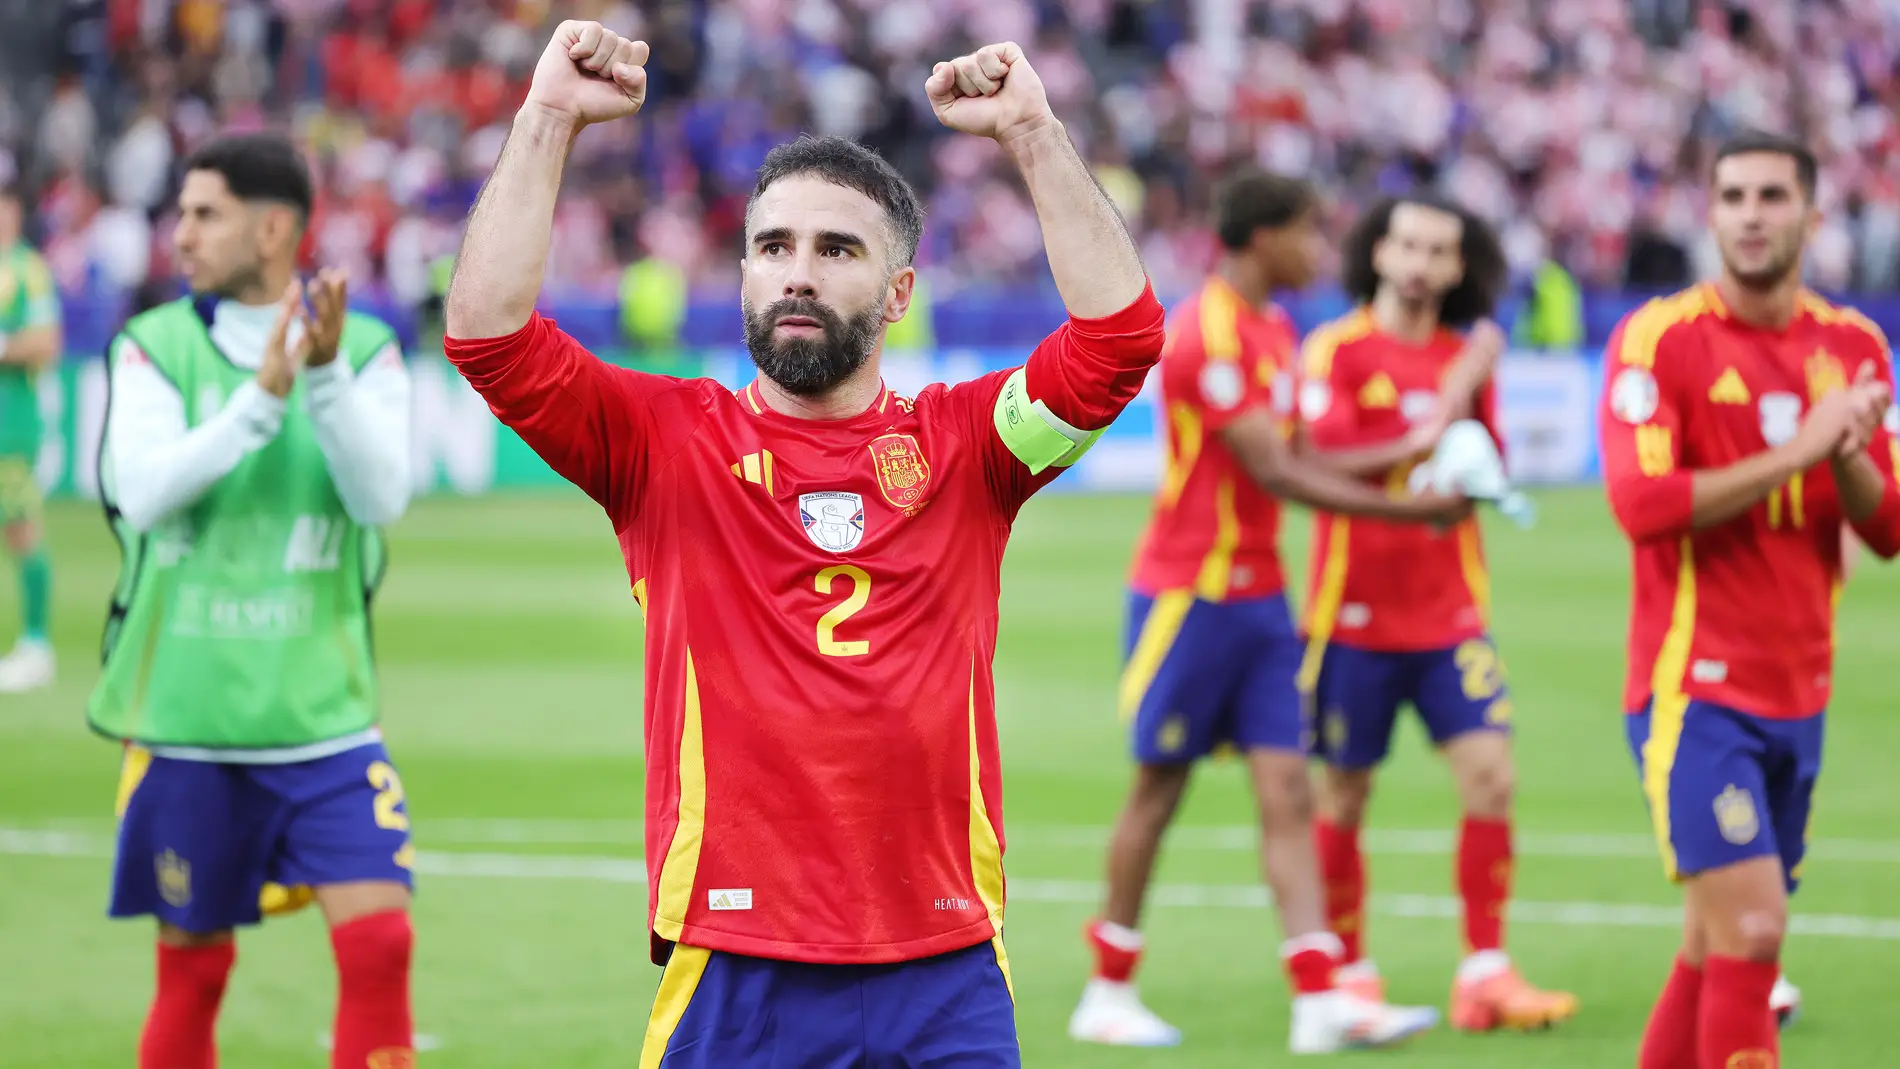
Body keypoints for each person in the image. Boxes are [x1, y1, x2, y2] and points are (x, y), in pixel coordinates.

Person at [442, 23, 1164, 1068]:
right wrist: (549, 115)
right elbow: (487, 336)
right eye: (774, 247)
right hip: (738, 964)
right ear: (743, 272)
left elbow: (1118, 343)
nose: (799, 274)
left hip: (944, 965)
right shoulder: (663, 444)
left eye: (837, 250)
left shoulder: (970, 446)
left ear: (900, 292)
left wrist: (1034, 133)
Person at [1069, 170, 1459, 1053]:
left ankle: (1318, 998)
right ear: (1263, 237)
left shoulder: (1277, 330)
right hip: (1191, 595)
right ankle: (1107, 988)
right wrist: (1414, 510)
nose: (1320, 249)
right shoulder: (1204, 331)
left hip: (1261, 601)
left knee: (1288, 787)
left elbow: (1306, 452)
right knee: (1159, 787)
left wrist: (1411, 450)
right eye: (1308, 231)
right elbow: (1276, 472)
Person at [90, 133, 417, 1069]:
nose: (182, 234)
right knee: (192, 973)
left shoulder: (362, 348)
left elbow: (381, 499)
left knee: (381, 942)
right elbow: (140, 493)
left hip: (324, 722)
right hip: (191, 724)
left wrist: (321, 377)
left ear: (273, 229)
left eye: (205, 214)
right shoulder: (152, 346)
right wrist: (259, 404)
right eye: (182, 213)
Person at [1600, 130, 1898, 1069]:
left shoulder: (1853, 346)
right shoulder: (1659, 339)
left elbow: (1888, 528)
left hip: (1799, 690)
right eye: (1732, 196)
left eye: (1773, 196)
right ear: (1710, 213)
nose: (1751, 215)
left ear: (1813, 215)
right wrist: (1801, 449)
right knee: (1757, 931)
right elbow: (1642, 506)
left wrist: (1843, 454)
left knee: (1711, 942)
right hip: (1695, 689)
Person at [1296, 192, 1578, 1031]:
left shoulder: (1465, 358)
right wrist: (1430, 430)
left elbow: (1482, 464)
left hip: (1452, 613)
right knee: (1345, 795)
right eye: (1407, 245)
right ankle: (1350, 968)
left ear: (1460, 267)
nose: (1420, 263)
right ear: (1379, 253)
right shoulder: (1337, 349)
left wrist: (1469, 466)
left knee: (1493, 776)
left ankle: (1485, 970)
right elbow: (1324, 454)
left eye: (1438, 250)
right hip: (1351, 618)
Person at [0, 182, 62, 691]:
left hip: (11, 425)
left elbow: (46, 342)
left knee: (20, 529)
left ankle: (37, 645)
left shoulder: (27, 270)